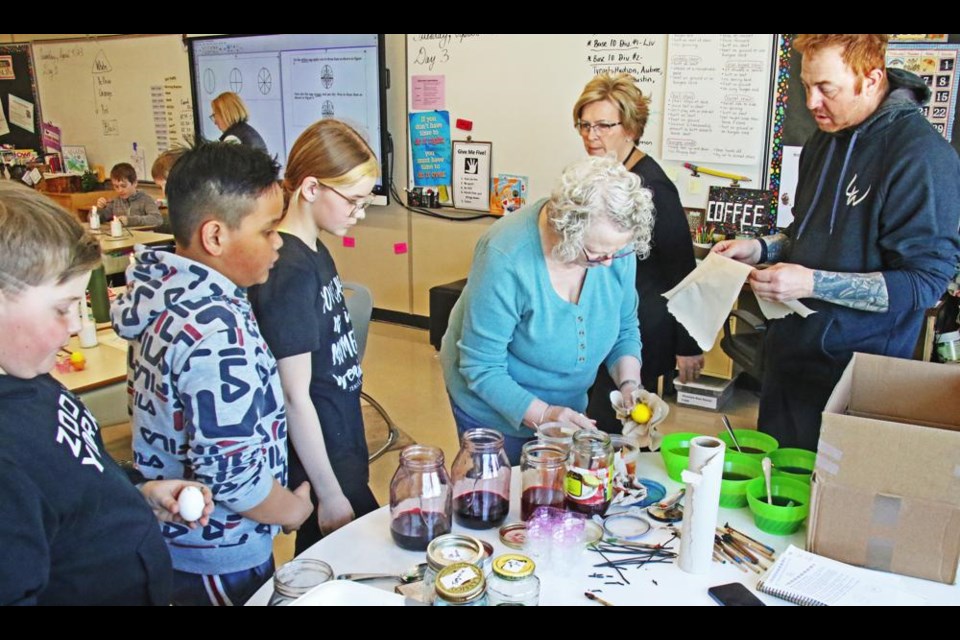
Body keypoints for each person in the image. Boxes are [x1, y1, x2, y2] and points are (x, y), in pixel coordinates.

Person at [713, 34, 960, 450]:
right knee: (777, 494)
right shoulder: (824, 140)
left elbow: (924, 282)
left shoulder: (921, 156)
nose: (811, 102)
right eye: (806, 86)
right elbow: (804, 235)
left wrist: (811, 283)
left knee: (829, 502)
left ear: (871, 78)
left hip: (852, 379)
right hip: (791, 360)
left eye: (826, 88)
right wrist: (759, 248)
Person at [111, 142, 313, 606]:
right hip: (217, 551)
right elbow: (232, 478)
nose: (279, 240)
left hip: (173, 543)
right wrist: (293, 508)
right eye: (267, 230)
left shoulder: (164, 289)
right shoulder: (215, 333)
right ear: (216, 237)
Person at [0, 181, 213, 606]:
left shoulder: (30, 377)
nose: (76, 326)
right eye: (62, 308)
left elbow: (76, 473)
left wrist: (135, 494)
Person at [441, 155, 654, 465]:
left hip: (565, 408)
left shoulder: (614, 246)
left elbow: (624, 327)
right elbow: (481, 366)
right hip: (493, 406)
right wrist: (544, 415)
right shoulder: (505, 256)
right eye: (596, 255)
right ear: (566, 229)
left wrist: (629, 385)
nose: (609, 263)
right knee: (508, 497)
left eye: (616, 253)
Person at [248, 120, 380, 556]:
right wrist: (329, 492)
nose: (359, 214)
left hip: (341, 440)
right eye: (354, 202)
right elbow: (293, 395)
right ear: (310, 188)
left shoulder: (315, 250)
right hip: (321, 459)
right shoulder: (288, 269)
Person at [575, 74, 704, 433]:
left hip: (641, 326)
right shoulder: (606, 174)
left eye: (603, 125)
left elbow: (682, 269)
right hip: (610, 320)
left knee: (613, 421)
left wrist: (688, 344)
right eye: (584, 125)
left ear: (630, 128)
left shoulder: (653, 186)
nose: (591, 135)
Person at [95, 162, 162, 227]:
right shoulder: (115, 202)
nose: (120, 190)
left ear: (135, 183)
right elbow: (97, 220)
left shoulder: (145, 199)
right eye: (116, 186)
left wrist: (130, 221)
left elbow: (157, 219)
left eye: (123, 186)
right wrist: (99, 209)